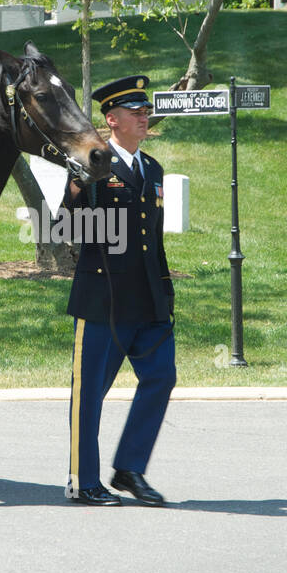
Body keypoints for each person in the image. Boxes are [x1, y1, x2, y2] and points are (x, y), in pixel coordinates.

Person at [62, 74, 175, 506]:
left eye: (146, 111)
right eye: (135, 112)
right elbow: (65, 228)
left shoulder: (153, 169)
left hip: (149, 300)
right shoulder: (95, 163)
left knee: (162, 377)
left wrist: (165, 293)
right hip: (103, 301)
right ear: (112, 119)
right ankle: (83, 480)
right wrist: (77, 188)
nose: (144, 117)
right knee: (89, 393)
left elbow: (154, 240)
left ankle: (128, 469)